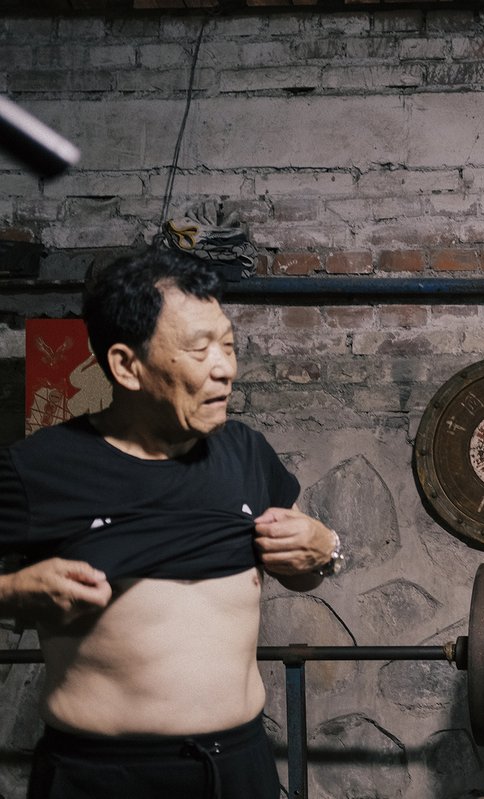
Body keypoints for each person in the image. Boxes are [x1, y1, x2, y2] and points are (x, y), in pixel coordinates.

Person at [0, 248, 343, 798]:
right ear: (125, 365)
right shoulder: (38, 468)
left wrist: (325, 548)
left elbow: (304, 571)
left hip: (238, 768)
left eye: (228, 345)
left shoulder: (246, 453)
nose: (225, 366)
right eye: (198, 348)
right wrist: (11, 592)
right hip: (102, 777)